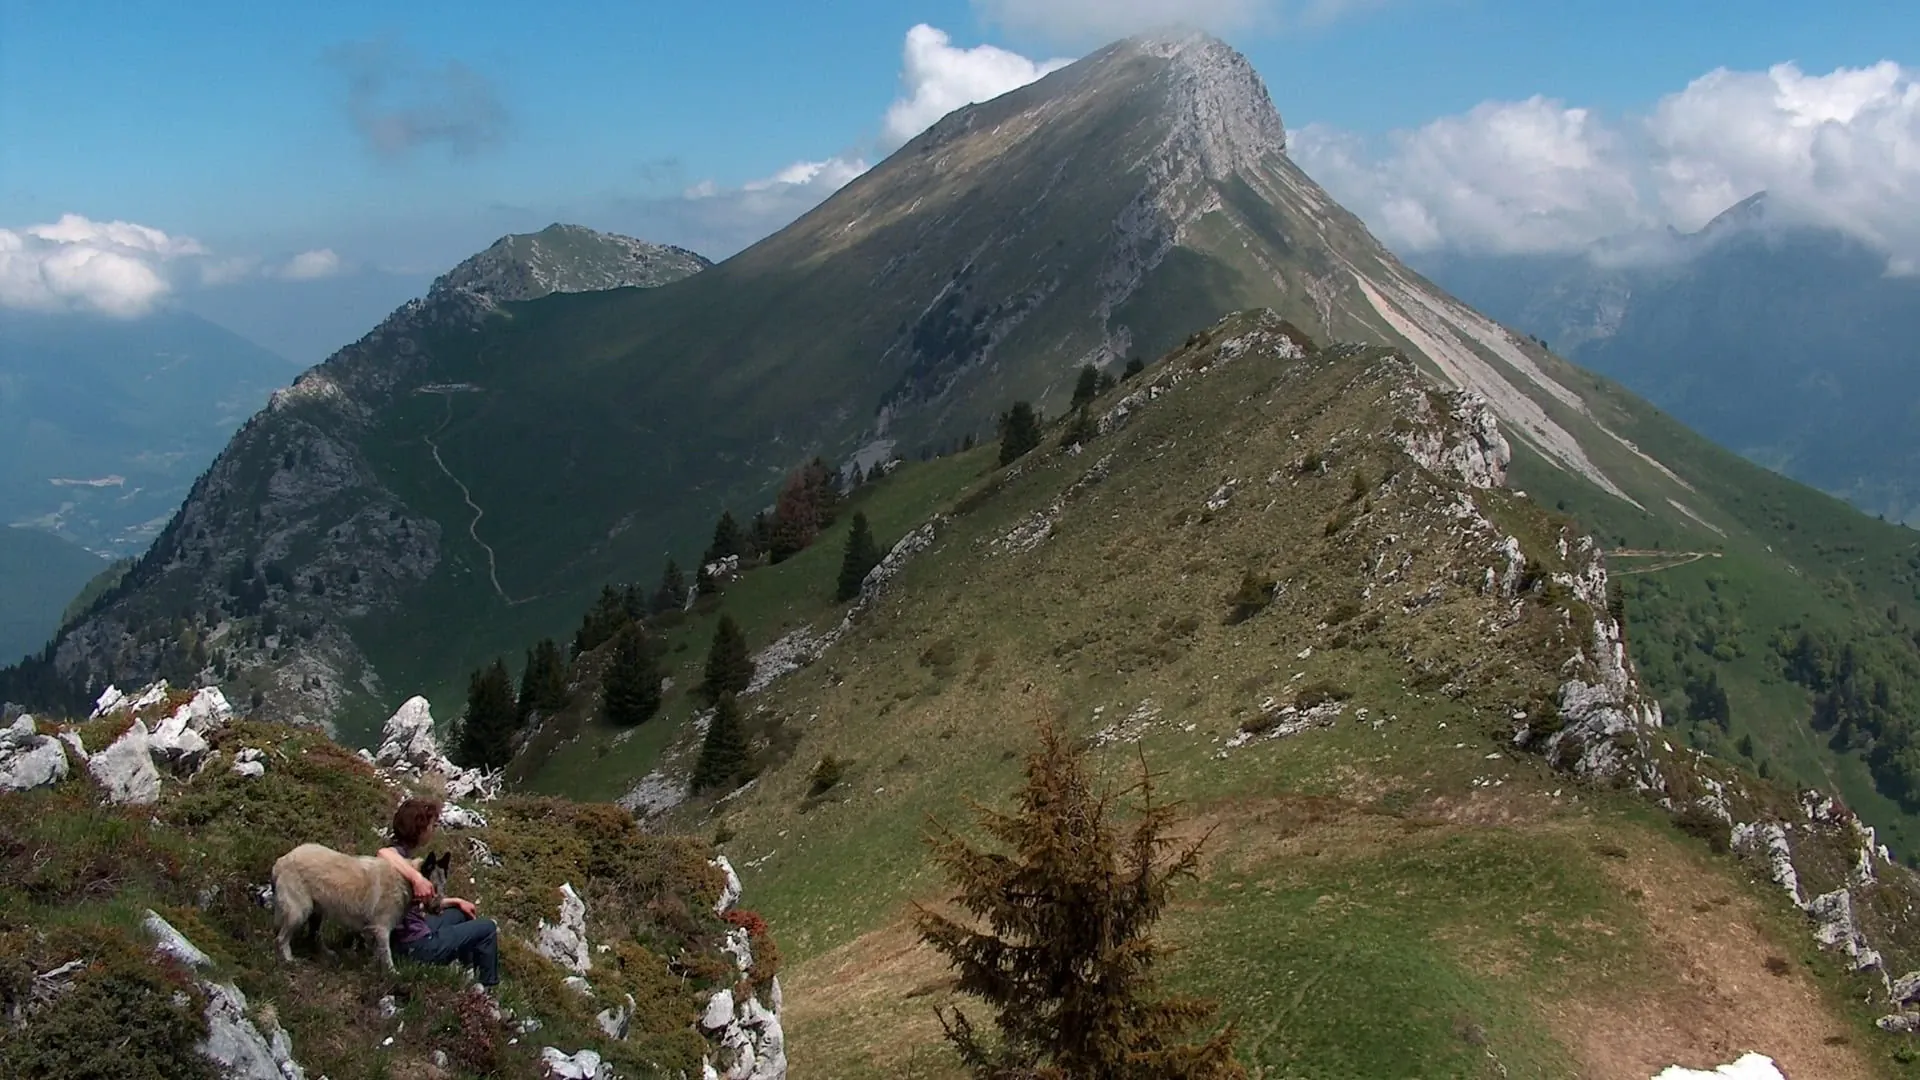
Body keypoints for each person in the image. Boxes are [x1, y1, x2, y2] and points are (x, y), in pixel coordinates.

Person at [376, 796, 500, 990]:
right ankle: (488, 988)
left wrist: (456, 900)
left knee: (461, 913)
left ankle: (466, 970)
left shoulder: (404, 856)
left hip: (405, 937)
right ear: (420, 829)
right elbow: (383, 853)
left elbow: (423, 903)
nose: (434, 830)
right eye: (432, 825)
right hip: (416, 946)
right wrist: (417, 878)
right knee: (488, 928)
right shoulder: (396, 857)